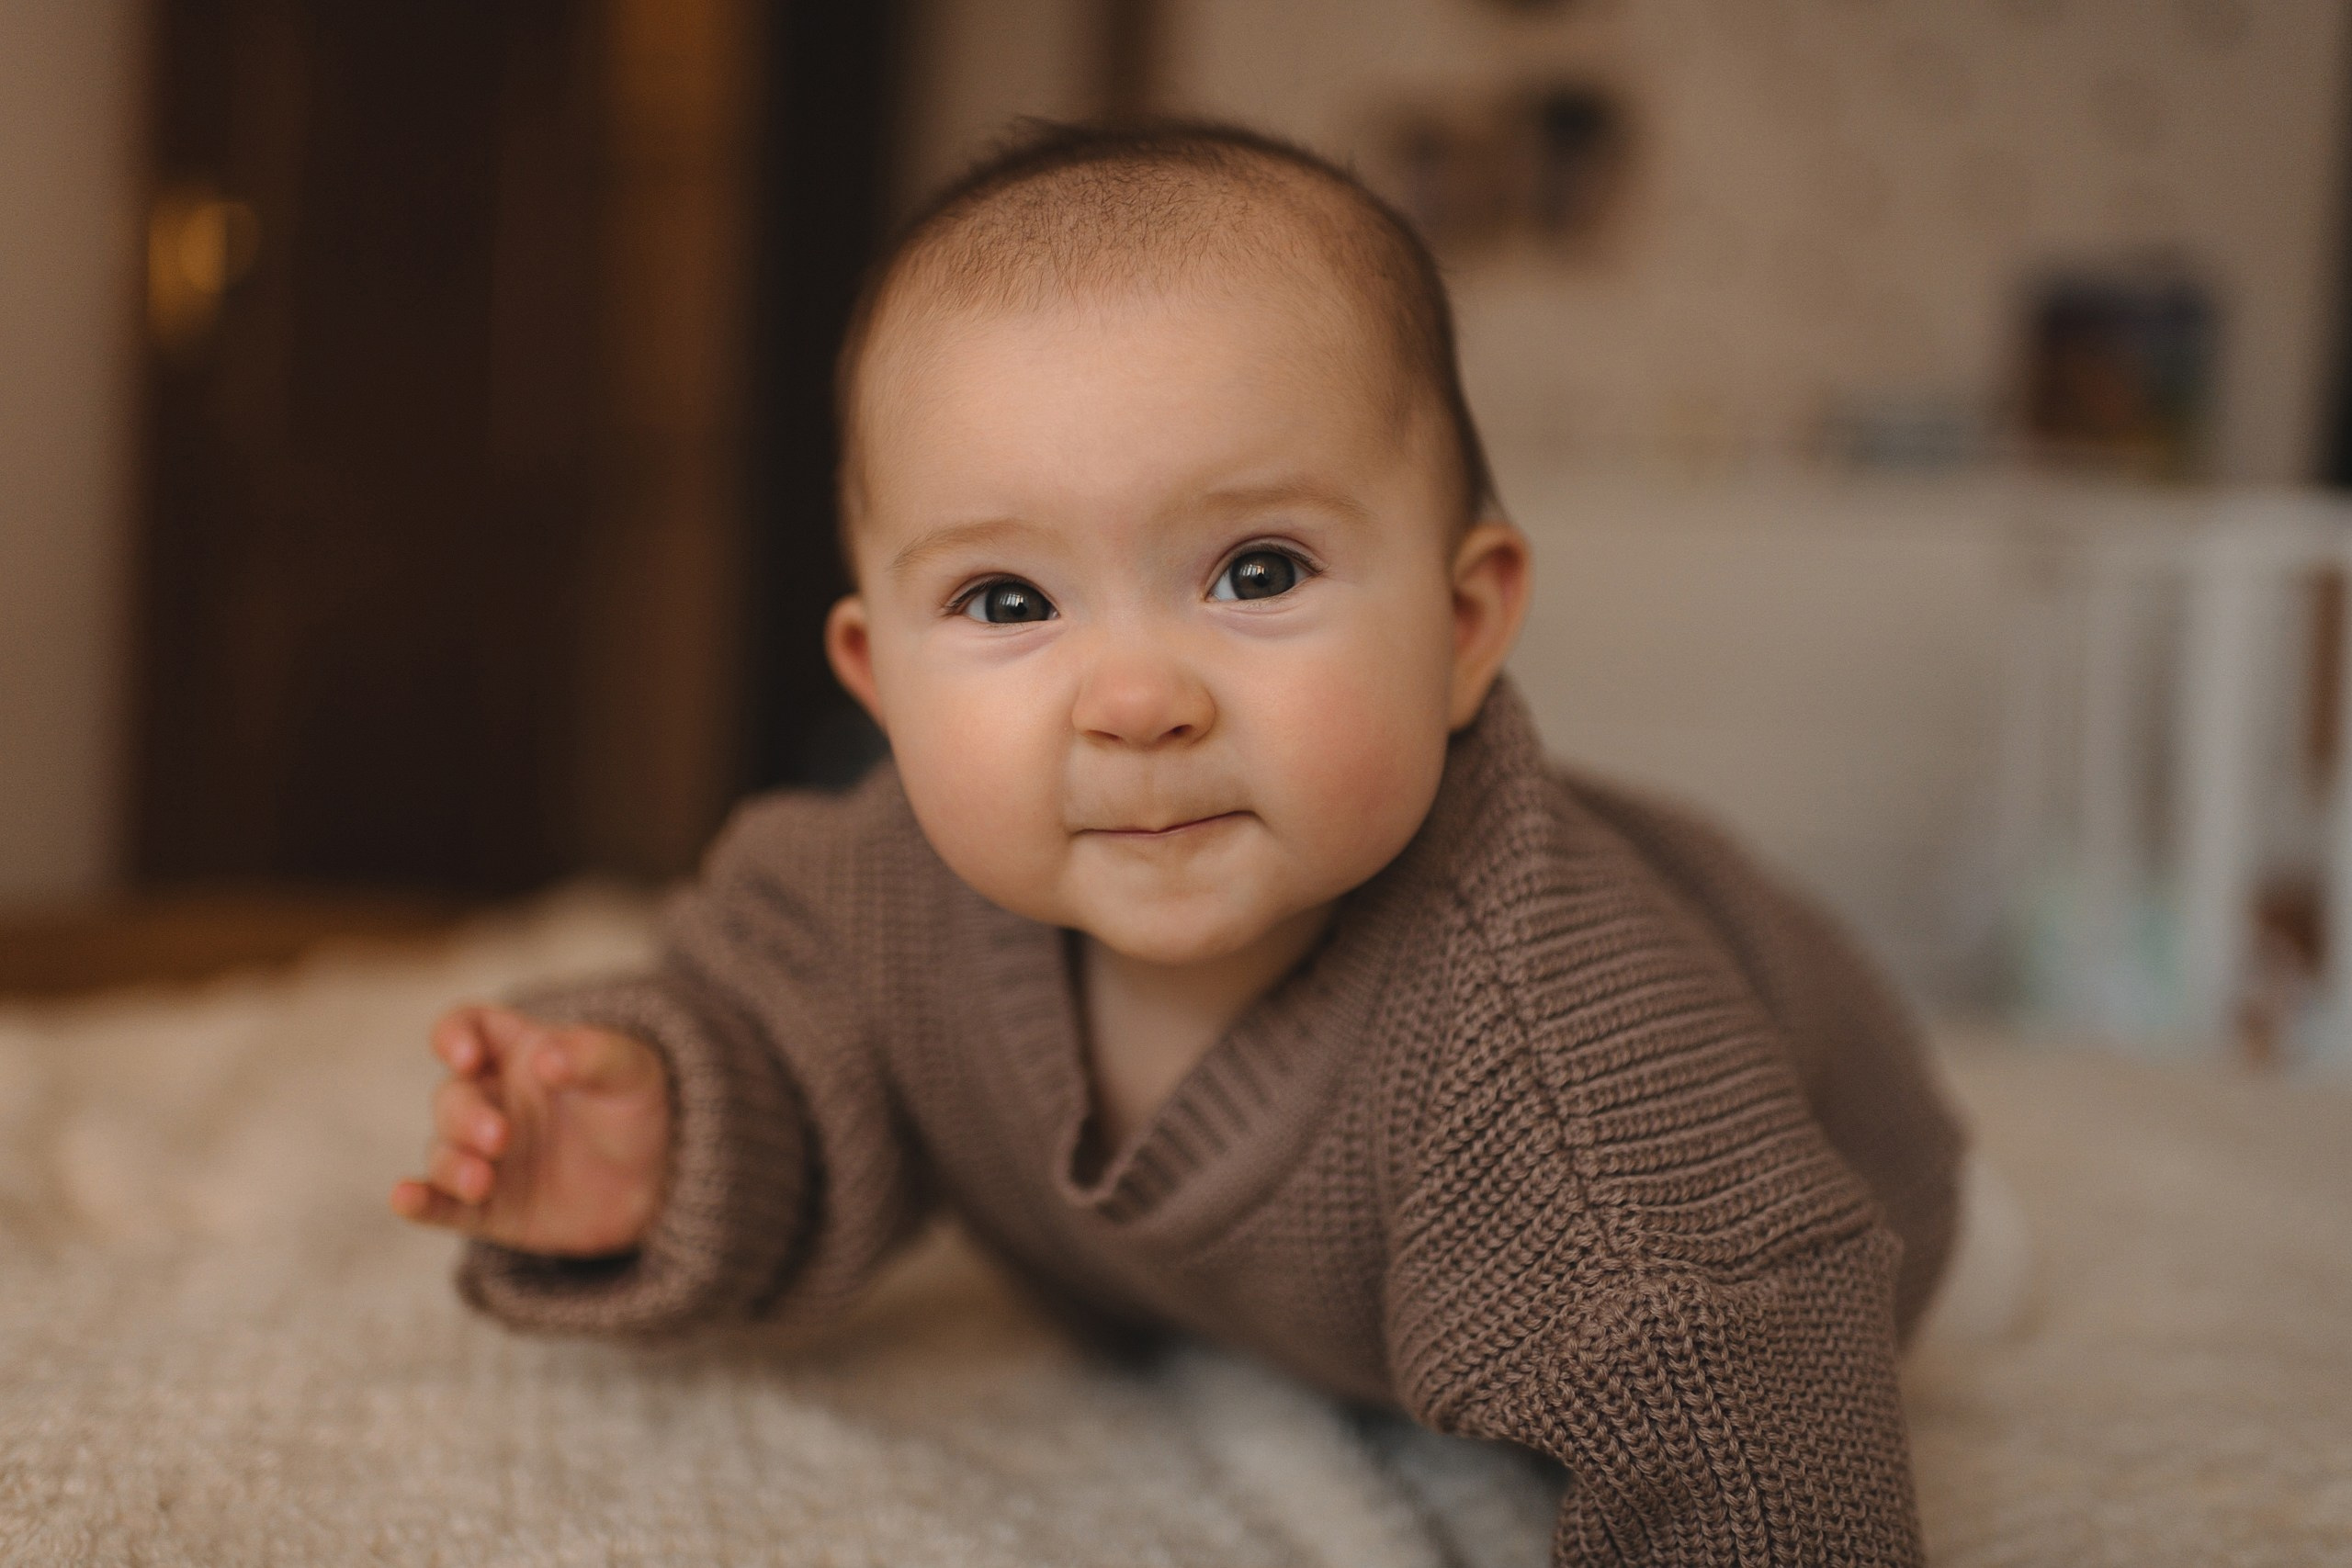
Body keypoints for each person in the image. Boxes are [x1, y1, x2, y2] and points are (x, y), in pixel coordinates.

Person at [390, 118, 1969, 1566]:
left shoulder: (1578, 1072)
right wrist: (658, 1135)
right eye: (1008, 602)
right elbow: (783, 1045)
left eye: (1258, 570)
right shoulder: (880, 892)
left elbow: (1752, 1420)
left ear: (1465, 619)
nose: (1137, 699)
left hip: (1851, 1157)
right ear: (879, 677)